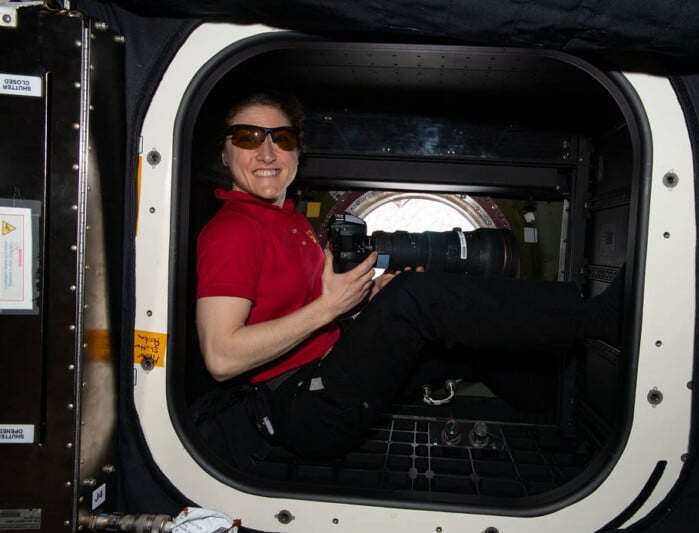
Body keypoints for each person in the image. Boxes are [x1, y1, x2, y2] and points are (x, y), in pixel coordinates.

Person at [192, 91, 623, 468]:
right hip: (303, 406)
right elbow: (222, 357)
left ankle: (545, 401)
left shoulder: (288, 223)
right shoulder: (234, 230)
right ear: (224, 152)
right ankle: (598, 318)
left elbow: (303, 311)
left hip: (326, 368)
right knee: (417, 296)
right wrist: (331, 307)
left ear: (297, 152)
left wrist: (364, 301)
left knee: (460, 337)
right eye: (248, 137)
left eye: (281, 138)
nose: (267, 154)